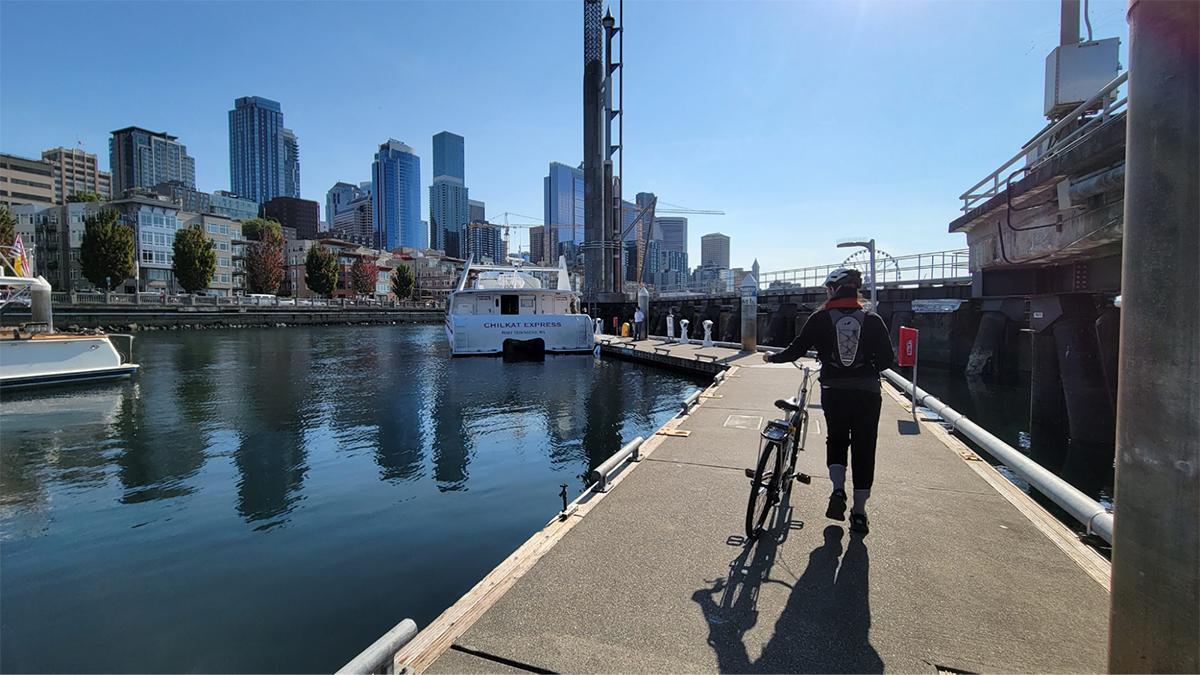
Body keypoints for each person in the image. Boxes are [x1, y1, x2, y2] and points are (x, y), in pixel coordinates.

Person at [762, 268, 894, 534]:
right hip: (867, 393)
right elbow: (887, 361)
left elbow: (795, 350)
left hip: (834, 390)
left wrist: (770, 357)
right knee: (864, 447)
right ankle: (858, 512)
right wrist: (866, 366)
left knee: (836, 439)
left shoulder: (820, 318)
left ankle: (837, 491)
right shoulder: (872, 319)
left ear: (833, 290)